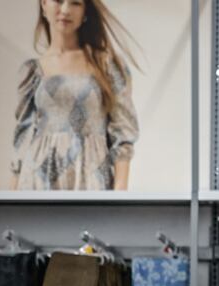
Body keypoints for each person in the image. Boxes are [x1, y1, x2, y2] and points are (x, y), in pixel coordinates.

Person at [11, 0, 140, 191]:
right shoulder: (32, 71)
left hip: (91, 177)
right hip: (37, 181)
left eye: (75, 3)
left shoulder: (107, 65)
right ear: (44, 4)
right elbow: (22, 141)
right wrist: (11, 201)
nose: (65, 10)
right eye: (58, 1)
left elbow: (124, 134)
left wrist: (119, 195)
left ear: (85, 11)